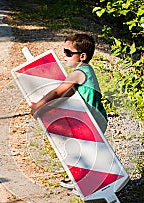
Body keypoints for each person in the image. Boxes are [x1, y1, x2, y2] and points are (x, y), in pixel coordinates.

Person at [30, 33, 108, 191]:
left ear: (82, 56)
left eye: (68, 53)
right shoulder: (85, 70)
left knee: (75, 146)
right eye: (64, 52)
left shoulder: (79, 73)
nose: (64, 56)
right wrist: (50, 108)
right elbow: (67, 95)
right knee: (82, 149)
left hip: (94, 118)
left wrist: (38, 105)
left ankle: (82, 180)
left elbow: (58, 92)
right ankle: (86, 179)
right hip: (98, 117)